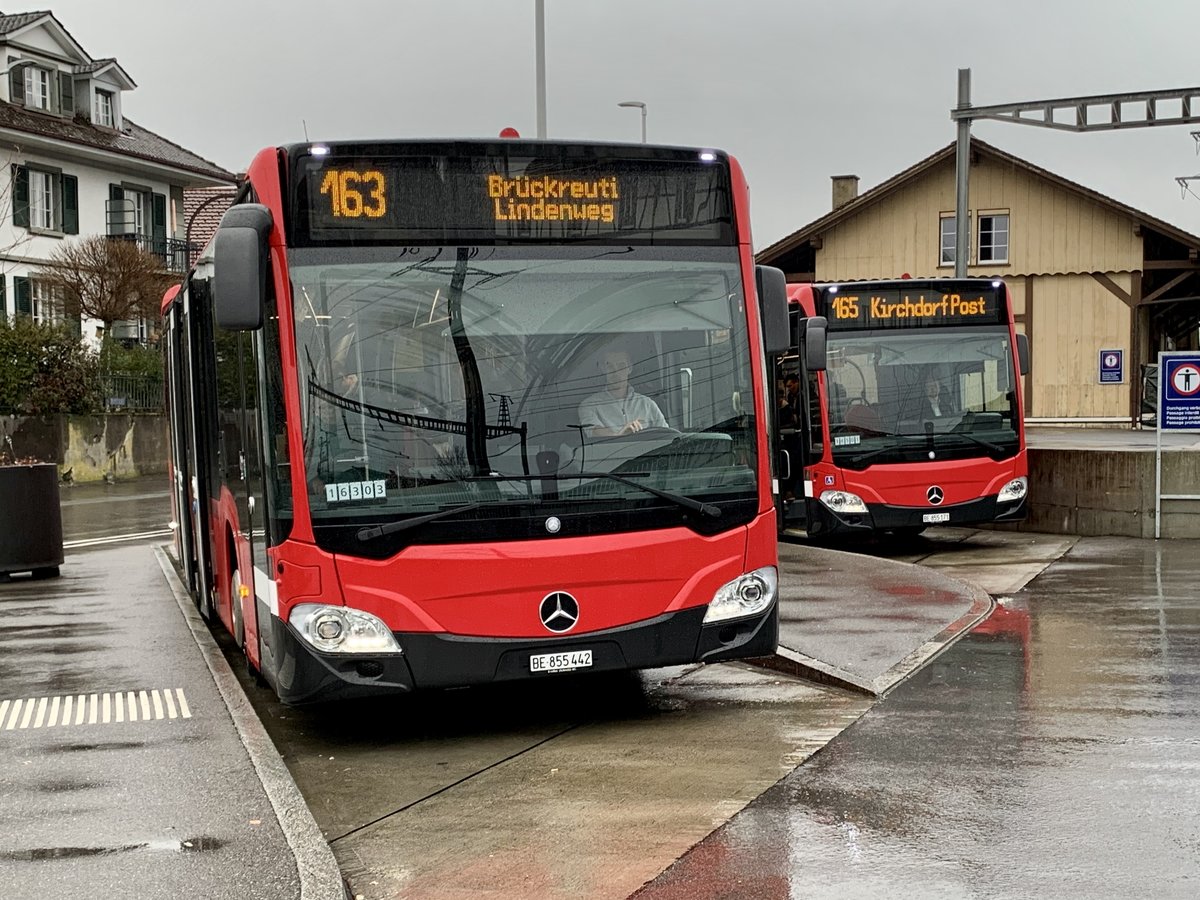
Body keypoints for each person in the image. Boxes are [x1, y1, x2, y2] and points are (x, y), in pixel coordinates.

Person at [577, 348, 667, 437]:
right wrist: (620, 435)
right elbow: (594, 431)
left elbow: (666, 435)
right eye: (610, 366)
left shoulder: (647, 404)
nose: (616, 372)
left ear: (630, 368)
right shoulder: (589, 405)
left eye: (621, 366)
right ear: (603, 369)